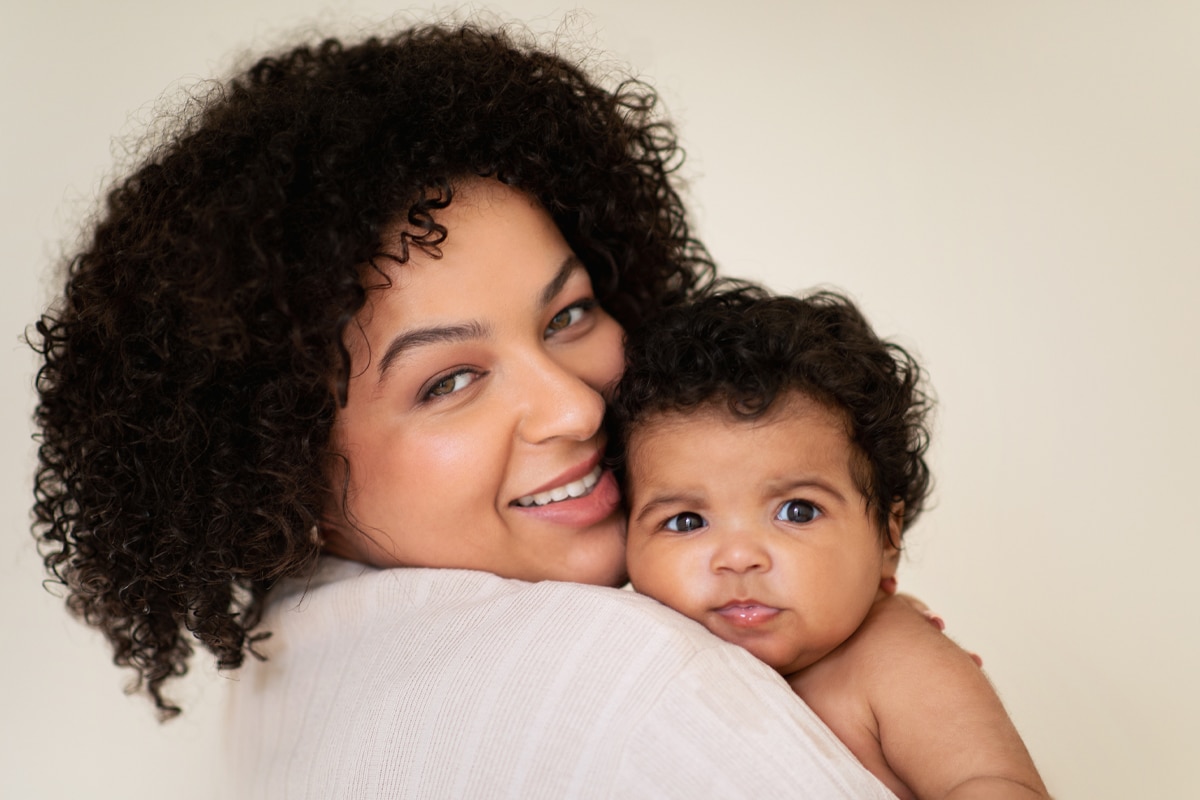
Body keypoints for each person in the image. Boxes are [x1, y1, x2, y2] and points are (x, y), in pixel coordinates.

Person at [32, 22, 923, 798]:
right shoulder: (637, 681)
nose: (573, 408)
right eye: (449, 382)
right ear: (277, 462)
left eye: (569, 315)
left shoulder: (289, 666)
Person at [610, 285, 1049, 799]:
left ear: (888, 535)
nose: (739, 557)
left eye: (797, 512)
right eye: (686, 521)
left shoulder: (892, 660)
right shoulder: (636, 656)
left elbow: (995, 785)